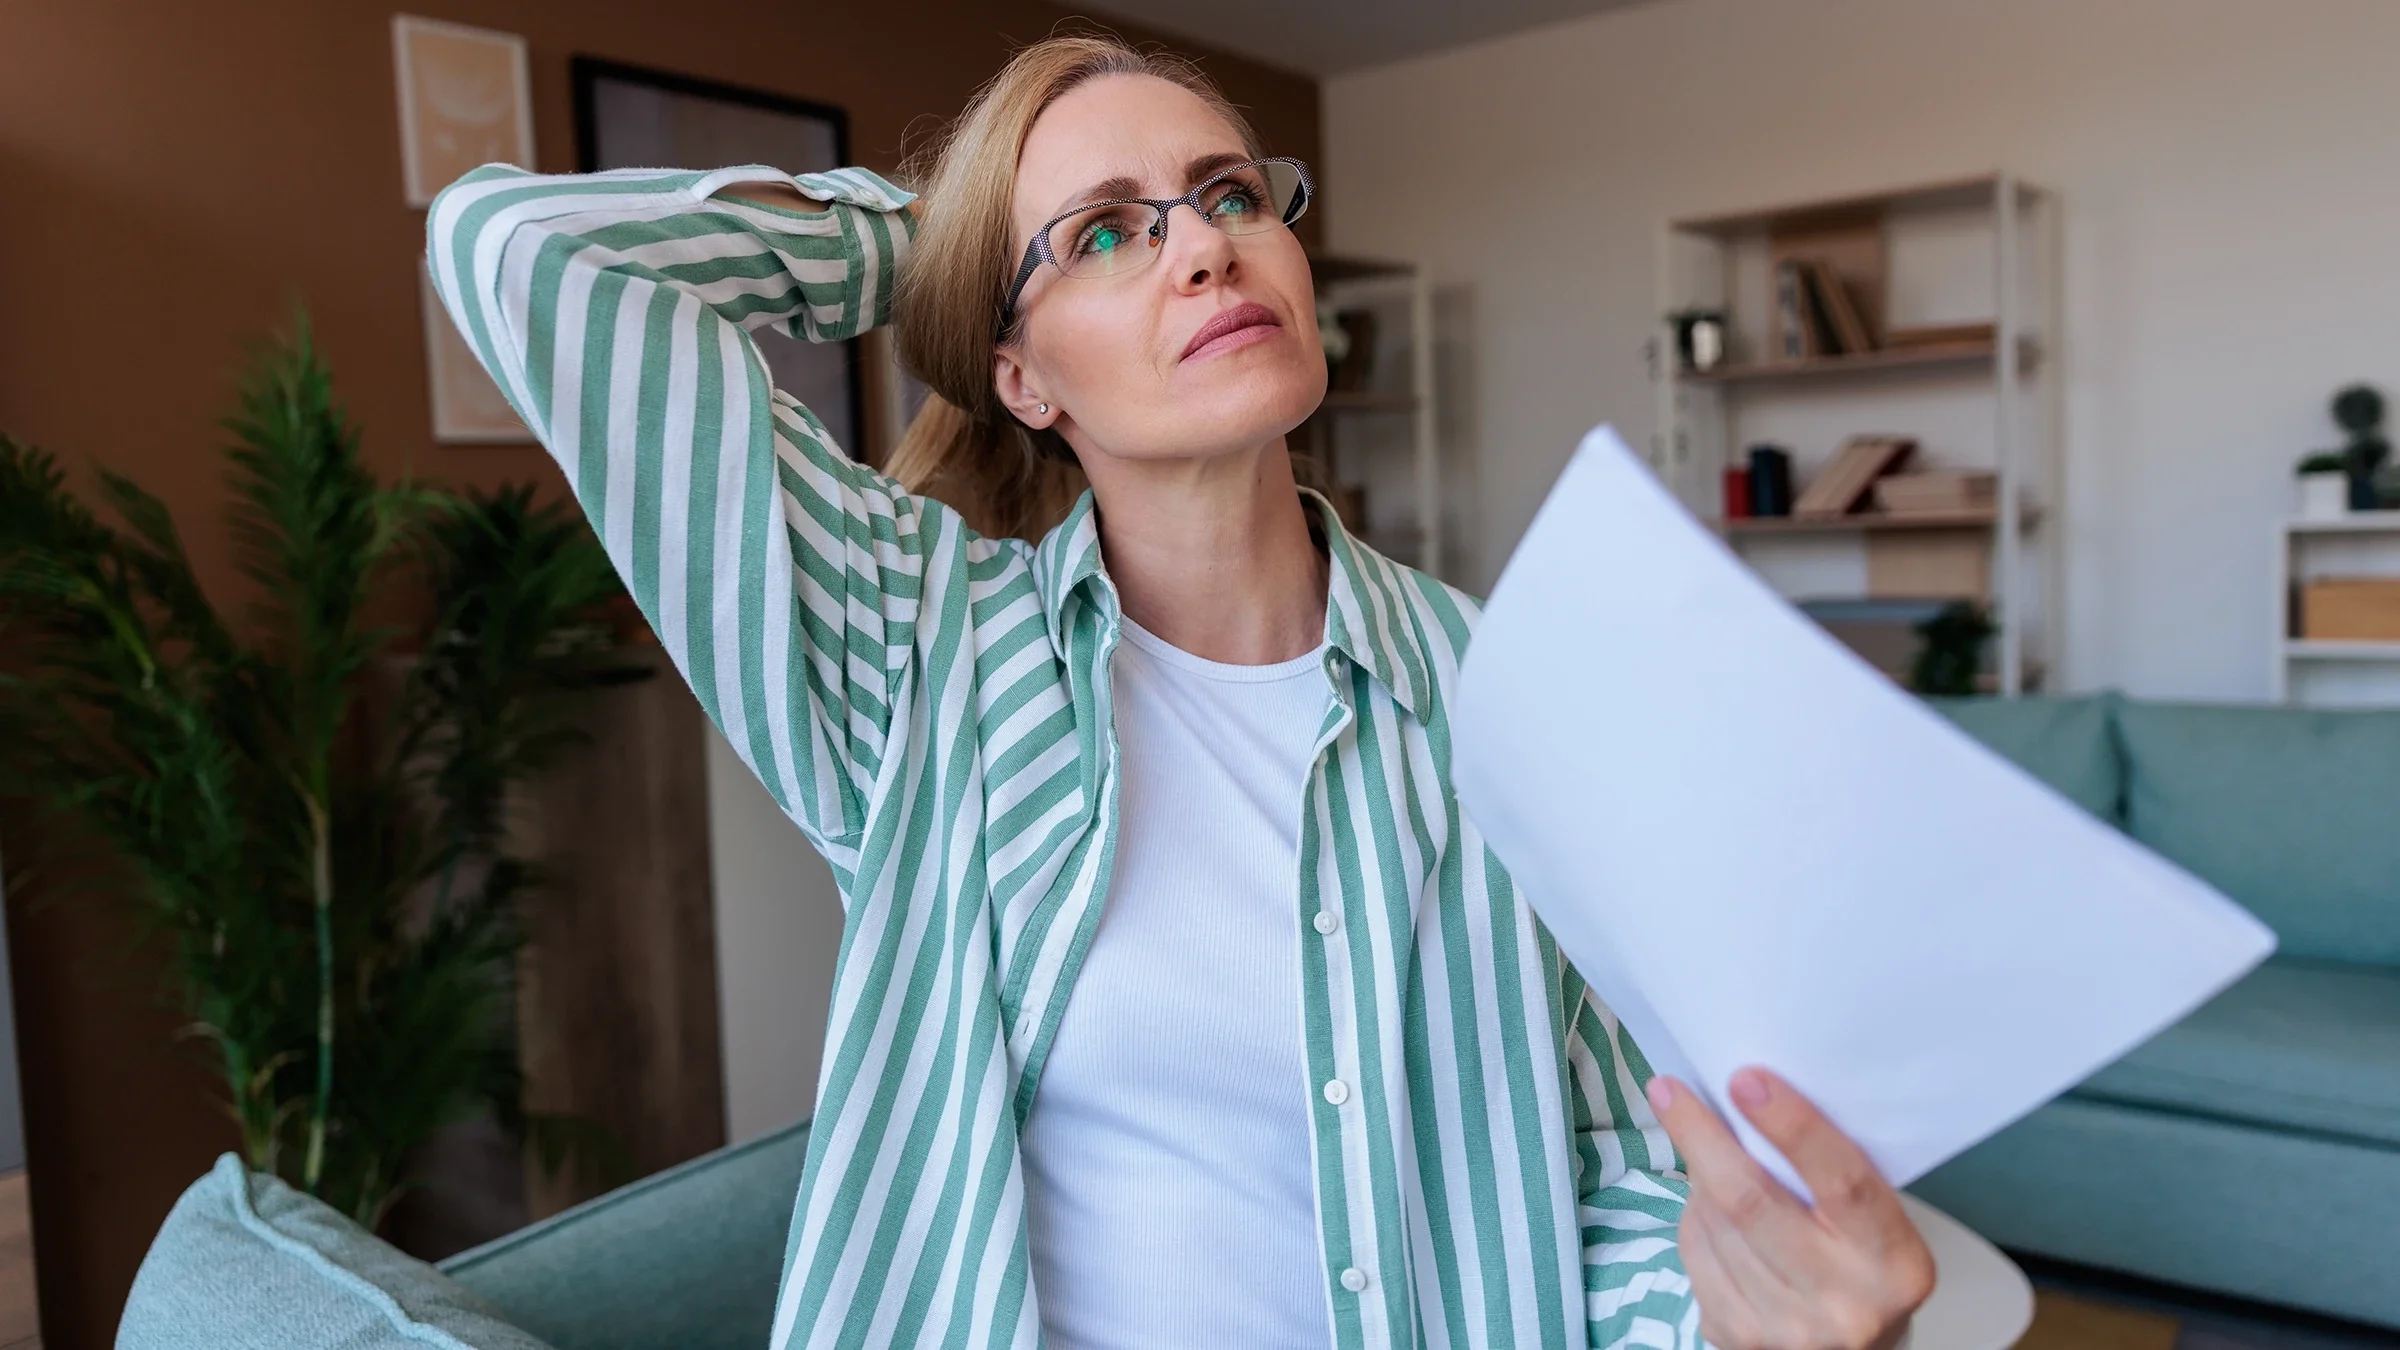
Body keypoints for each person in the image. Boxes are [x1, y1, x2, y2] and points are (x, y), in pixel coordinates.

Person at [427, 32, 1934, 1350]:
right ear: (1023, 379)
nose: (1202, 248)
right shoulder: (919, 657)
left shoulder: (1498, 684)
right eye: (1102, 237)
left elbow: (1604, 1165)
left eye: (1227, 197)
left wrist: (1730, 1312)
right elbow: (525, 257)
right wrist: (939, 245)